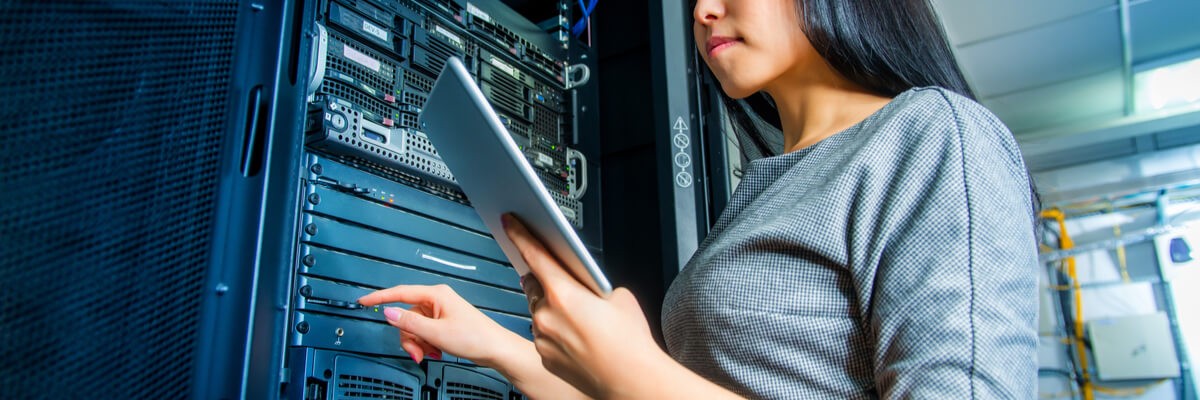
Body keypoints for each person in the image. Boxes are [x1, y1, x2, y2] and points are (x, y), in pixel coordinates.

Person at [357, 0, 1040, 398]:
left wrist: (634, 368)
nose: (703, 9)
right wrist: (499, 346)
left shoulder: (932, 135)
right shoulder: (769, 187)